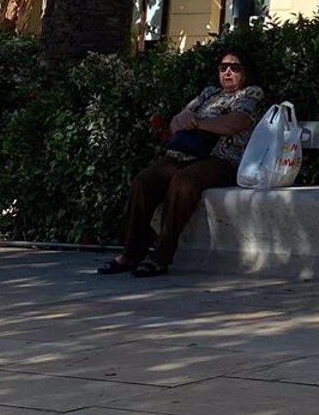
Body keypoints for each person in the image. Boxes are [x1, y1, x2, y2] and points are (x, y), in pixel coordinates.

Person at [97, 47, 264, 279]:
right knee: (144, 180)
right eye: (223, 67)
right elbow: (176, 122)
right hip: (184, 155)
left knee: (183, 182)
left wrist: (197, 122)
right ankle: (132, 253)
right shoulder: (209, 94)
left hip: (221, 159)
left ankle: (161, 255)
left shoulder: (250, 95)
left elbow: (234, 124)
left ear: (245, 72)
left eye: (235, 68)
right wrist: (192, 120)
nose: (227, 72)